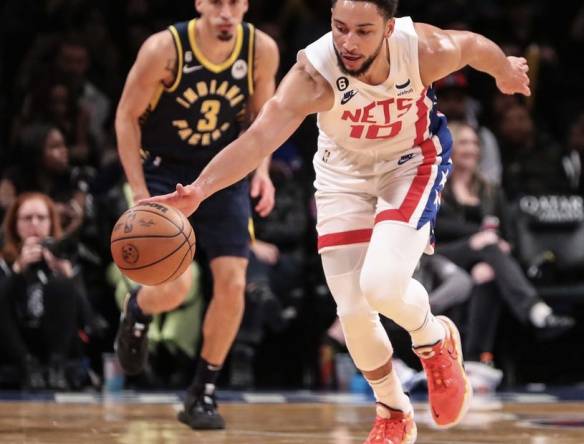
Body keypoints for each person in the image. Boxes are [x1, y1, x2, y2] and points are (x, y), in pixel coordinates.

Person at [147, 0, 531, 441]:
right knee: (351, 308)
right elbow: (257, 140)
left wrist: (503, 69)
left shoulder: (424, 48)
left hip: (411, 162)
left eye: (363, 31)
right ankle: (393, 410)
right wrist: (200, 189)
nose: (347, 42)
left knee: (382, 285)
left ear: (389, 28)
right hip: (342, 175)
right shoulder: (314, 74)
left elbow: (474, 46)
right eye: (339, 28)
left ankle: (433, 339)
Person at [113, 0, 279, 430]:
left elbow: (265, 120)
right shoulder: (164, 49)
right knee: (175, 287)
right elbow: (127, 117)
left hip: (222, 172)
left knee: (234, 282)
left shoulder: (261, 49)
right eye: (217, 2)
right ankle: (138, 310)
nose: (226, 11)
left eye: (235, 2)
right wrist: (139, 190)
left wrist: (261, 170)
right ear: (200, 3)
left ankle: (201, 392)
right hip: (164, 169)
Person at [437, 122, 574, 366]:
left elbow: (508, 237)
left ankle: (473, 359)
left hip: (486, 259)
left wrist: (496, 244)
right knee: (487, 244)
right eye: (465, 143)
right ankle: (534, 310)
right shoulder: (437, 186)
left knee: (486, 272)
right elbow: (437, 228)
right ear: (451, 146)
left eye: (475, 144)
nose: (472, 149)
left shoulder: (491, 191)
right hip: (441, 256)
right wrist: (477, 237)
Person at [0, 193, 83, 390]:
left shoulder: (64, 259)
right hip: (14, 345)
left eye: (41, 218)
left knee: (62, 285)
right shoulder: (4, 261)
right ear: (14, 224)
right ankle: (27, 364)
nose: (34, 224)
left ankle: (57, 368)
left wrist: (68, 277)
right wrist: (17, 271)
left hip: (55, 343)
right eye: (27, 218)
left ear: (51, 222)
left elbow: (88, 319)